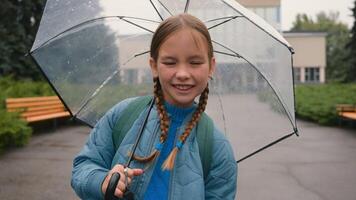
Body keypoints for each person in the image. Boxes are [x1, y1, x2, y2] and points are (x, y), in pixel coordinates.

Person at [71, 14, 237, 200]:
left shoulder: (217, 147)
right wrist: (102, 182)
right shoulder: (123, 115)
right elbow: (83, 167)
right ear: (154, 66)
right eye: (170, 62)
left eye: (195, 63)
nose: (182, 73)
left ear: (211, 67)